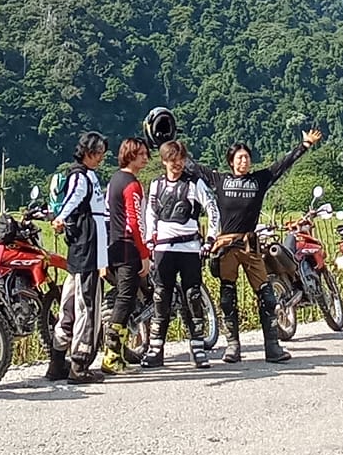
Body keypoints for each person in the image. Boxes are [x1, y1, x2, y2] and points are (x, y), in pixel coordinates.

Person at [207, 128, 325, 363]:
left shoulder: (259, 180)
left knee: (267, 294)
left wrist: (304, 146)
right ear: (231, 162)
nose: (244, 160)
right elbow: (191, 168)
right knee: (227, 296)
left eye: (247, 157)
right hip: (227, 246)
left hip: (250, 245)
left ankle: (272, 346)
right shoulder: (219, 180)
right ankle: (232, 347)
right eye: (239, 157)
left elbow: (281, 166)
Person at [141, 138, 219, 368]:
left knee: (192, 295)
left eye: (181, 160)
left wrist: (211, 238)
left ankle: (198, 346)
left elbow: (212, 210)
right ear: (164, 161)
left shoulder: (195, 183)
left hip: (189, 247)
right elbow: (151, 213)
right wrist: (149, 238)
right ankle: (156, 348)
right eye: (172, 160)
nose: (177, 164)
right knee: (160, 296)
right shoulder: (156, 185)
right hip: (164, 248)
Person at [49, 131, 110, 380]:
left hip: (84, 247)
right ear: (87, 152)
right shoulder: (81, 176)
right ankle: (80, 364)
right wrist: (61, 217)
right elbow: (73, 197)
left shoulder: (88, 175)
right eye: (97, 154)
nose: (100, 159)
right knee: (87, 304)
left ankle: (57, 361)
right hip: (89, 246)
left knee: (70, 301)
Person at [102, 138, 153, 372]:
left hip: (113, 246)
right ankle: (112, 357)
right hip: (128, 248)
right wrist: (144, 253)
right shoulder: (132, 184)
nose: (145, 157)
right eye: (141, 154)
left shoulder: (113, 180)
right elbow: (135, 223)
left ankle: (116, 355)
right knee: (125, 299)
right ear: (130, 155)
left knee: (124, 298)